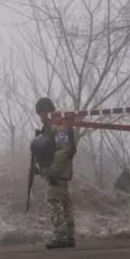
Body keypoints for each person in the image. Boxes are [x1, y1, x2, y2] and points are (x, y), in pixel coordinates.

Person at [32, 97, 77, 249]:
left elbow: (63, 149)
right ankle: (69, 237)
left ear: (46, 112)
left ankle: (61, 236)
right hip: (60, 173)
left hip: (57, 173)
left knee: (53, 203)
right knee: (65, 204)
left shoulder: (58, 125)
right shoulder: (53, 125)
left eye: (41, 113)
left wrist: (53, 171)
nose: (41, 117)